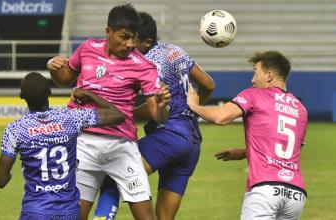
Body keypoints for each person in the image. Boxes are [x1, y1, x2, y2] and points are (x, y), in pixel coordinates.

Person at [47, 4, 170, 220]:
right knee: (74, 216)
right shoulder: (87, 48)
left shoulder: (144, 66)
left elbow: (158, 116)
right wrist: (54, 68)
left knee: (146, 217)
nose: (130, 44)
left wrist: (161, 107)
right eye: (124, 37)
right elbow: (65, 79)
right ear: (108, 32)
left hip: (122, 147)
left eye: (133, 38)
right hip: (83, 144)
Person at [94, 12, 215, 220]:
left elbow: (153, 107)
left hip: (168, 135)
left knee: (115, 176)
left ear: (148, 42)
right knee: (164, 217)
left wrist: (124, 114)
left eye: (134, 39)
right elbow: (208, 84)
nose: (130, 44)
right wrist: (192, 109)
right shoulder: (175, 51)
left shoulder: (147, 61)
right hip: (192, 142)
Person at [187, 50, 308, 220]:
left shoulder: (254, 95)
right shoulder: (300, 109)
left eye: (255, 73)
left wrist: (194, 105)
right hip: (295, 193)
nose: (252, 80)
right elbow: (289, 150)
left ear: (269, 75)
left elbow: (221, 117)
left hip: (265, 189)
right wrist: (245, 152)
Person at [0, 72, 125, 220]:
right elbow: (118, 115)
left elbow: (0, 181)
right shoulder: (70, 118)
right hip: (69, 211)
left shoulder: (15, 129)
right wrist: (90, 95)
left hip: (35, 210)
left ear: (22, 96)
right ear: (49, 92)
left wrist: (9, 175)